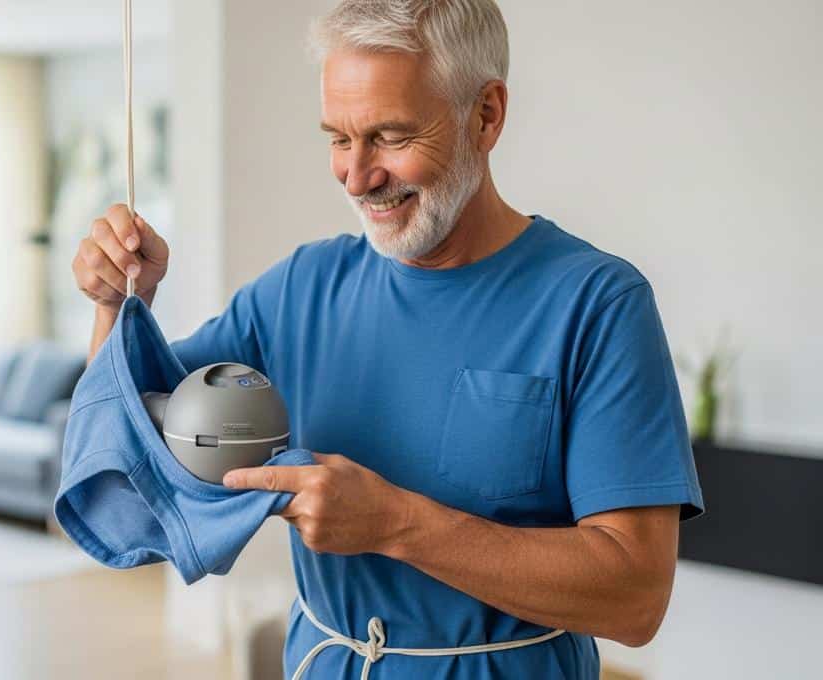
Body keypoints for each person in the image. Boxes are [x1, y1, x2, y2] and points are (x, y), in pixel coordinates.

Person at [70, 1, 703, 677]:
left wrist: (397, 524)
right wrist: (118, 306)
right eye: (339, 138)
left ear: (486, 116)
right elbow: (124, 466)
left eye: (391, 137)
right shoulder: (302, 289)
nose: (355, 174)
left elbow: (636, 599)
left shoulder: (597, 304)